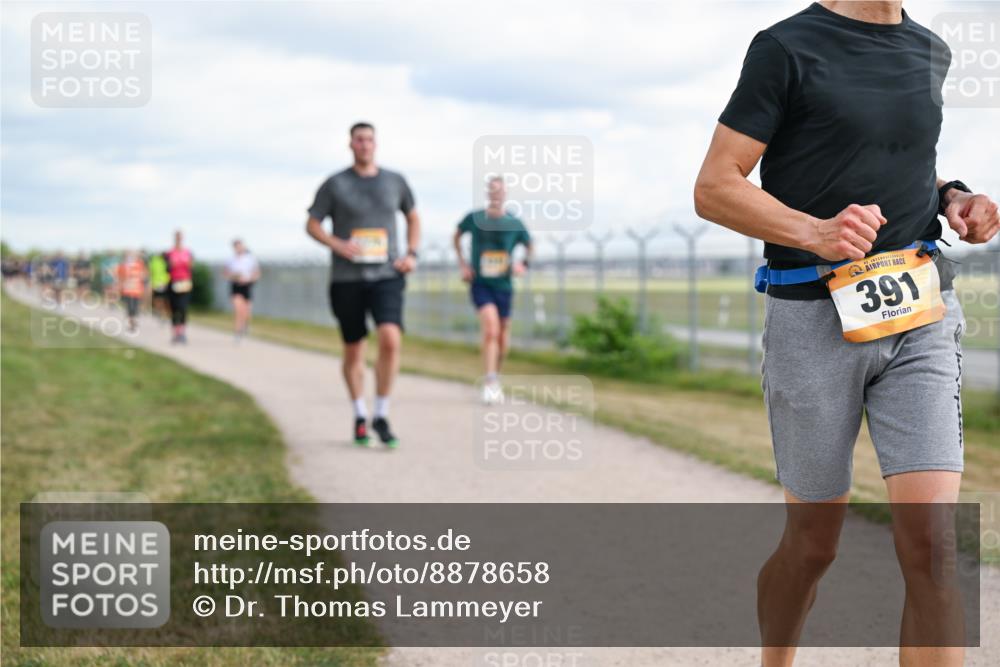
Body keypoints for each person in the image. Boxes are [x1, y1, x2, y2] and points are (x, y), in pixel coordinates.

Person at [693, 2, 999, 665]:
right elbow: (715, 186)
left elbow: (905, 157)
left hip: (920, 309)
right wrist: (815, 232)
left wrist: (955, 200)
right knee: (813, 544)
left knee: (932, 546)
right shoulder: (785, 47)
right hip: (812, 317)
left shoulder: (928, 50)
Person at [305, 122, 421, 448]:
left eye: (370, 139)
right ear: (350, 144)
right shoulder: (335, 184)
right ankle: (359, 413)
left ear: (376, 143)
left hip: (387, 274)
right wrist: (336, 244)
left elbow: (413, 217)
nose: (365, 145)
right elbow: (312, 223)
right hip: (347, 278)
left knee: (390, 338)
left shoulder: (395, 181)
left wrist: (411, 253)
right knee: (354, 348)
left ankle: (381, 413)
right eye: (359, 140)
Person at [453, 176, 532, 404]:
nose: (496, 195)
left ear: (505, 194)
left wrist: (522, 264)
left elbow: (530, 245)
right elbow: (456, 235)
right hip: (481, 283)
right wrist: (463, 264)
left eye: (500, 191)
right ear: (488, 193)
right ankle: (489, 381)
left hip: (504, 285)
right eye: (492, 191)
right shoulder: (475, 218)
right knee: (490, 328)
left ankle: (495, 376)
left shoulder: (514, 223)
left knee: (503, 335)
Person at [223, 239, 261, 341]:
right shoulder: (230, 260)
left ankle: (245, 324)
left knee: (246, 311)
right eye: (236, 247)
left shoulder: (250, 259)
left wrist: (249, 279)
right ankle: (237, 332)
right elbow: (225, 274)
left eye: (240, 246)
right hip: (236, 286)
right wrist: (234, 276)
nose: (238, 248)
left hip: (247, 285)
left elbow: (257, 274)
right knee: (238, 309)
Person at [165, 231, 194, 344]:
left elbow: (191, 267)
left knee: (183, 307)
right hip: (173, 282)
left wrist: (186, 264)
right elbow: (167, 267)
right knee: (174, 307)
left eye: (180, 237)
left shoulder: (188, 252)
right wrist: (172, 264)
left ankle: (182, 332)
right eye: (177, 237)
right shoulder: (169, 253)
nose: (179, 239)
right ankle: (174, 332)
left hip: (185, 282)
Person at [117, 250, 147, 333]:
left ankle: (133, 321)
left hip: (137, 290)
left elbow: (144, 275)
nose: (130, 257)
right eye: (128, 255)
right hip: (127, 291)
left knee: (136, 308)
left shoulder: (140, 264)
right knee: (130, 308)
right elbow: (120, 278)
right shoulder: (123, 266)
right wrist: (120, 288)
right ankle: (132, 324)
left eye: (132, 255)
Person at [148, 251, 171, 322]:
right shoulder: (164, 262)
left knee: (159, 299)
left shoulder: (154, 261)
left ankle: (161, 312)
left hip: (160, 282)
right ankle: (161, 313)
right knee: (161, 299)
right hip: (162, 282)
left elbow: (151, 271)